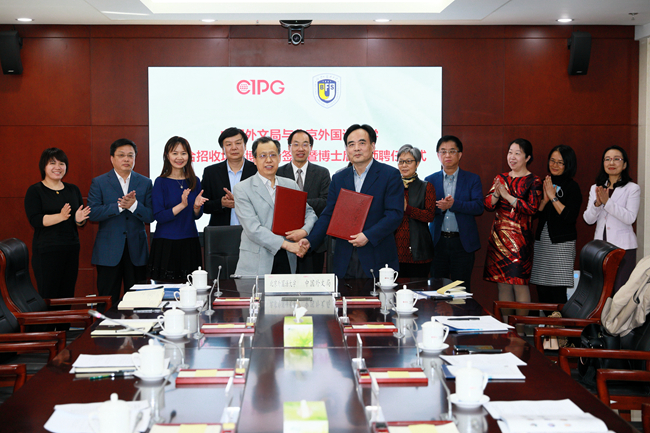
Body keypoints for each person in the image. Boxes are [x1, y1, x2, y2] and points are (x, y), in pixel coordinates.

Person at [300, 124, 404, 279]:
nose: (356, 148)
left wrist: (368, 235)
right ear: (346, 149)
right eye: (351, 144)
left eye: (362, 143)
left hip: (376, 254)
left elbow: (394, 215)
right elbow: (329, 215)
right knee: (344, 295)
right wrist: (310, 241)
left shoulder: (390, 175)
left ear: (373, 146)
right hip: (345, 258)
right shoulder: (339, 178)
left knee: (377, 295)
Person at [233, 137, 317, 276]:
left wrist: (304, 231)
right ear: (254, 160)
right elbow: (253, 229)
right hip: (258, 260)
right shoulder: (242, 188)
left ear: (279, 158)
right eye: (262, 156)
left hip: (287, 258)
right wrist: (288, 245)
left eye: (273, 155)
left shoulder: (290, 185)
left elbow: (309, 213)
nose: (268, 160)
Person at [88, 139, 154, 305]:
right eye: (121, 155)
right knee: (107, 300)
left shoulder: (145, 182)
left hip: (136, 251)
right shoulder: (99, 182)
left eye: (130, 155)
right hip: (108, 251)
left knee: (138, 301)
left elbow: (150, 216)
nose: (126, 159)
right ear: (112, 158)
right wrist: (119, 206)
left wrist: (134, 206)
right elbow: (93, 213)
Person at [484, 139, 542, 311]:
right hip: (498, 240)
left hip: (520, 242)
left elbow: (532, 209)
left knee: (520, 285)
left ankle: (521, 326)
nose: (512, 157)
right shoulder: (500, 178)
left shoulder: (534, 181)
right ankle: (506, 325)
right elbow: (488, 205)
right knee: (502, 285)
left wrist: (508, 197)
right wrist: (497, 194)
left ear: (527, 157)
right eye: (510, 152)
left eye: (517, 153)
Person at [24, 148, 91, 299]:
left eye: (62, 163)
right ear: (43, 166)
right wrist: (60, 216)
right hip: (46, 251)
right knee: (49, 295)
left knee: (67, 295)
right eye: (52, 163)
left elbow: (80, 221)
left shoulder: (73, 189)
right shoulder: (35, 191)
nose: (58, 167)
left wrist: (79, 220)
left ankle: (65, 317)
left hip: (71, 248)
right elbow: (35, 220)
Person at [425, 136, 483, 291]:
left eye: (452, 151)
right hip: (438, 243)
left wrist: (454, 204)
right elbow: (426, 211)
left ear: (460, 154)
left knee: (461, 290)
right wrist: (441, 208)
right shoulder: (430, 180)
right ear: (438, 155)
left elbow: (478, 207)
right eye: (443, 151)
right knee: (437, 289)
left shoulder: (472, 179)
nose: (447, 155)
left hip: (462, 244)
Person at [149, 136, 208, 280]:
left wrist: (196, 207)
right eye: (175, 153)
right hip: (166, 242)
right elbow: (159, 216)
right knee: (166, 287)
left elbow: (196, 215)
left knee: (191, 286)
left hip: (190, 240)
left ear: (189, 155)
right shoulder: (160, 182)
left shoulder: (194, 181)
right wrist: (182, 205)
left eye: (183, 153)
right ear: (167, 155)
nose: (179, 157)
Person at [583, 145, 639, 294]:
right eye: (607, 159)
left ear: (624, 164)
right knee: (601, 291)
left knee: (620, 291)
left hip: (624, 248)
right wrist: (597, 204)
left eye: (616, 159)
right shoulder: (596, 188)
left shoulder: (632, 188)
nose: (611, 163)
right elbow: (588, 219)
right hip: (600, 247)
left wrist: (607, 202)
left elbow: (630, 218)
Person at [530, 145, 582, 305]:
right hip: (542, 242)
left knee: (557, 290)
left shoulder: (572, 187)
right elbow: (534, 214)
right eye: (552, 161)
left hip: (562, 243)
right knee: (542, 288)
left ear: (568, 164)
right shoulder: (544, 182)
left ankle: (558, 321)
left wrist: (553, 197)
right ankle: (548, 320)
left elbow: (569, 217)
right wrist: (544, 201)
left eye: (560, 162)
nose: (555, 165)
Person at [277, 129, 331, 273]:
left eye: (305, 144)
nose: (300, 149)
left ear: (311, 148)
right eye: (296, 144)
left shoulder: (322, 173)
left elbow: (325, 202)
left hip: (313, 240)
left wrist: (295, 202)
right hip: (284, 239)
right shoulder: (278, 173)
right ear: (289, 147)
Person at [394, 144, 435, 278]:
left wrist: (408, 209)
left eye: (408, 161)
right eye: (401, 161)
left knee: (418, 288)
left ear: (417, 163)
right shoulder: (392, 187)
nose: (404, 165)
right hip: (393, 249)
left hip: (418, 249)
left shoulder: (426, 187)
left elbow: (429, 216)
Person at [202, 127, 257, 226]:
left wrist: (241, 203)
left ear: (245, 146)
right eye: (228, 144)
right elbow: (203, 205)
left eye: (238, 143)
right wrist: (221, 204)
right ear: (223, 149)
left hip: (251, 230)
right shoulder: (211, 172)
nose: (234, 147)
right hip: (221, 231)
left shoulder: (256, 171)